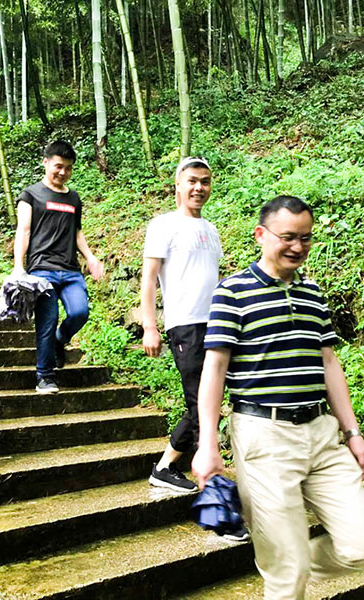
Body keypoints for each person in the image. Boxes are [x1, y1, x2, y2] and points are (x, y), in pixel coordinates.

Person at [192, 196, 364, 599]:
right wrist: (207, 444)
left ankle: (289, 564)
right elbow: (215, 369)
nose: (297, 246)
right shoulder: (232, 292)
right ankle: (285, 569)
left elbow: (328, 362)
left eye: (305, 238)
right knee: (286, 575)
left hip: (321, 433)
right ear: (261, 235)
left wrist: (352, 432)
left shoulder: (312, 293)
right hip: (264, 436)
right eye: (287, 237)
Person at [141, 157, 221, 494]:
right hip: (185, 325)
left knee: (209, 401)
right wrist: (150, 325)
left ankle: (170, 466)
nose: (198, 187)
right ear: (178, 184)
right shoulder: (163, 225)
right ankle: (199, 479)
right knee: (200, 403)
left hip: (216, 324)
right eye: (192, 181)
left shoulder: (211, 230)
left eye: (204, 181)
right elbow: (148, 279)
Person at [13, 140, 104, 394]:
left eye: (68, 168)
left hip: (71, 269)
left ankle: (59, 340)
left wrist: (90, 258)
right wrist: (18, 266)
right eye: (58, 166)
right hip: (42, 268)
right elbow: (24, 231)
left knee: (80, 312)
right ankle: (45, 376)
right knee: (47, 320)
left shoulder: (73, 198)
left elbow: (77, 232)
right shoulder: (30, 195)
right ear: (46, 162)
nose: (63, 172)